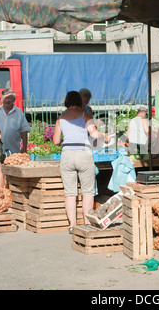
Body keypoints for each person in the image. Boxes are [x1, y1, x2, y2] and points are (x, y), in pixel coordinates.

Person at [53, 91, 108, 234]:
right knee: (87, 192)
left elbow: (56, 141)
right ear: (79, 101)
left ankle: (72, 225)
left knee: (70, 193)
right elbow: (94, 134)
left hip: (67, 155)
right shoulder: (85, 115)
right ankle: (87, 223)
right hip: (84, 154)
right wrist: (105, 135)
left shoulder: (60, 119)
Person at [0, 89, 30, 155]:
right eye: (5, 98)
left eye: (10, 98)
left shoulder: (19, 113)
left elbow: (24, 130)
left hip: (13, 150)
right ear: (1, 99)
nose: (7, 100)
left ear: (14, 100)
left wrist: (24, 147)